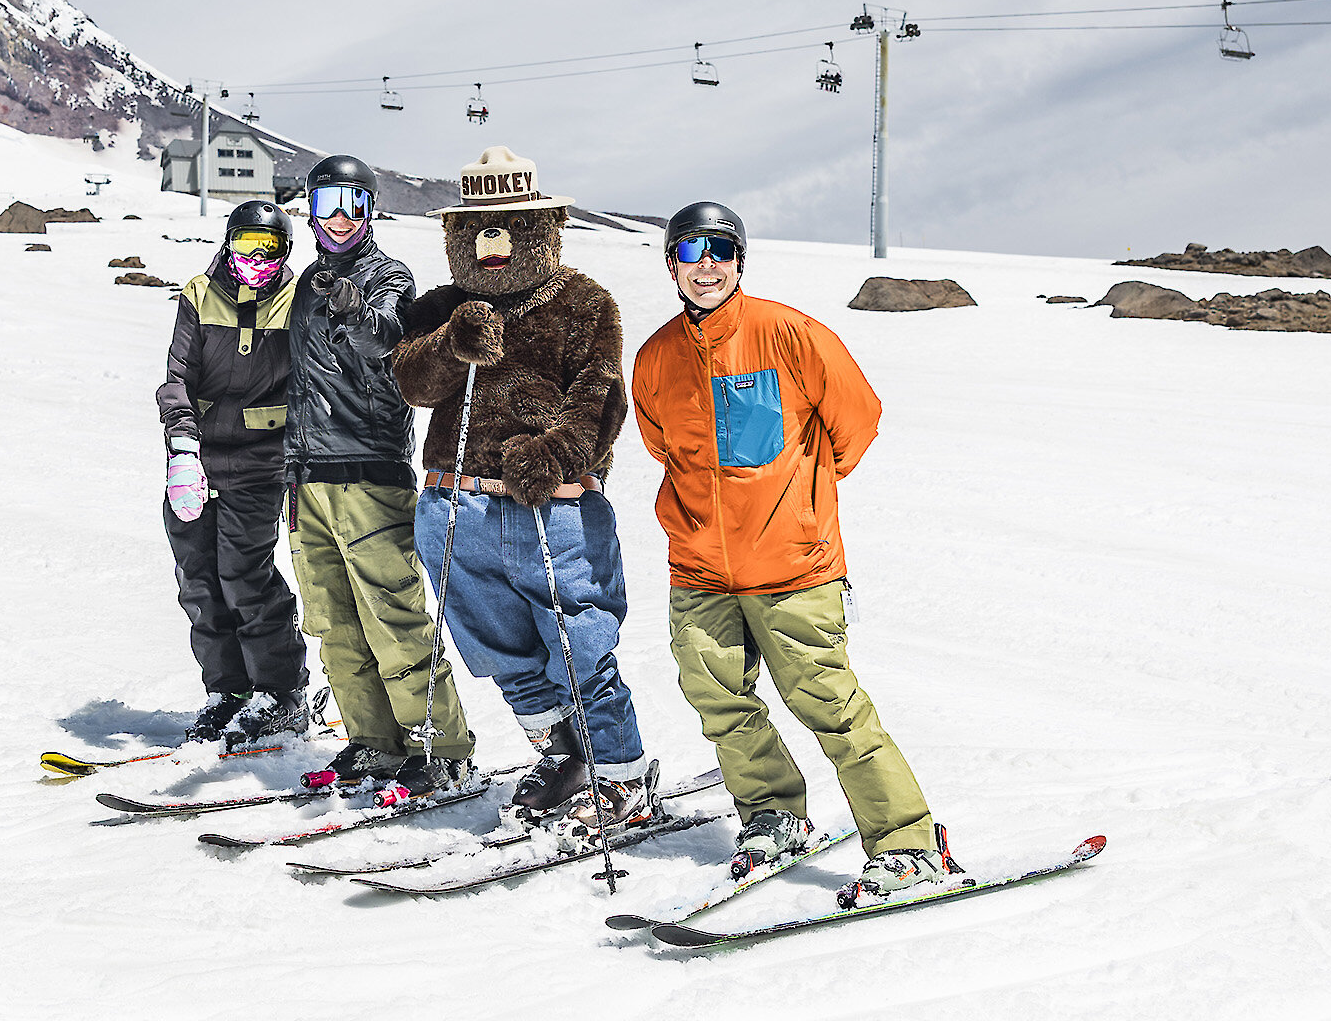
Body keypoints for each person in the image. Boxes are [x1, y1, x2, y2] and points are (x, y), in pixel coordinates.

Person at [630, 201, 960, 896]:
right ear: (671, 265)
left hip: (793, 567)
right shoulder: (656, 357)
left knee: (830, 704)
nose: (707, 265)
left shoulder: (791, 334)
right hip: (699, 568)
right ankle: (773, 815)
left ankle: (908, 844)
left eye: (721, 249)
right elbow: (662, 446)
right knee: (718, 701)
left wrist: (800, 501)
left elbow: (857, 423)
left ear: (741, 260)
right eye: (691, 252)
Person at [394, 146, 653, 833]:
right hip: (455, 505)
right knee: (497, 652)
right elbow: (413, 385)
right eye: (478, 231)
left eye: (508, 227)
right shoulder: (443, 307)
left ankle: (624, 775)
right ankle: (563, 756)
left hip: (554, 510)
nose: (493, 244)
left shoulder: (585, 302)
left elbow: (601, 397)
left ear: (543, 229)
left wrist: (559, 454)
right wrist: (451, 344)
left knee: (579, 648)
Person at [285, 155, 476, 797]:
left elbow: (389, 335)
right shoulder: (306, 281)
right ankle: (373, 741)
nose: (339, 218)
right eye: (326, 204)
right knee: (334, 620)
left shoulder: (387, 274)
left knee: (393, 615)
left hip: (369, 472)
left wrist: (353, 309)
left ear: (371, 211)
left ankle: (443, 747)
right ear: (309, 212)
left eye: (354, 204)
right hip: (308, 476)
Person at [155, 200, 308, 748]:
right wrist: (181, 448)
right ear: (228, 242)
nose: (255, 260)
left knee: (244, 576)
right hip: (194, 459)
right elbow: (177, 379)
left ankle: (281, 692)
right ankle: (228, 691)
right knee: (198, 579)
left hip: (259, 464)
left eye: (268, 249)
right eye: (245, 245)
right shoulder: (199, 293)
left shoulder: (298, 301)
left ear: (285, 251)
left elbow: (308, 386)